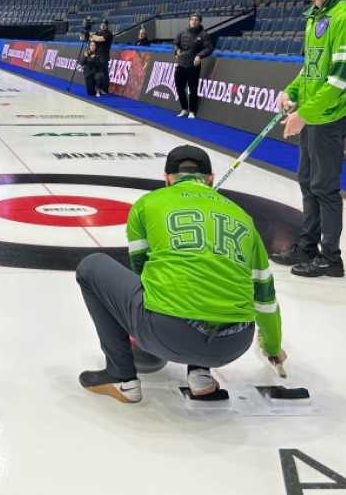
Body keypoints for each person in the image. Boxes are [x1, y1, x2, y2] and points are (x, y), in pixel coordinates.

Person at [75, 145, 285, 403]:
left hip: (168, 333)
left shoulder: (147, 204)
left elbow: (143, 274)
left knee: (91, 267)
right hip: (234, 343)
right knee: (211, 274)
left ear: (166, 179)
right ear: (209, 178)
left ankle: (122, 377)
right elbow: (265, 297)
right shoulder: (242, 217)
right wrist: (273, 347)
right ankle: (200, 376)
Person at [270, 0, 346, 279]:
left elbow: (339, 78)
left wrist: (305, 114)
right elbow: (310, 70)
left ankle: (331, 258)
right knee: (308, 183)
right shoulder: (313, 16)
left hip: (330, 118)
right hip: (313, 116)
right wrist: (291, 92)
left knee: (325, 188)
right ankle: (307, 246)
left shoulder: (344, 18)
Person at [173, 14, 213, 119]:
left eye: (196, 20)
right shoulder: (182, 33)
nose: (194, 21)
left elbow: (209, 48)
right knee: (179, 87)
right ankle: (184, 109)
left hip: (193, 65)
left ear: (200, 22)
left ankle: (192, 111)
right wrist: (176, 50)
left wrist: (199, 55)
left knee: (192, 89)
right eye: (192, 19)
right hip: (181, 64)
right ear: (189, 21)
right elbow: (176, 44)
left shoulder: (204, 35)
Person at [91, 19, 113, 94]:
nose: (103, 25)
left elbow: (100, 39)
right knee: (97, 72)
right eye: (102, 24)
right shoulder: (98, 32)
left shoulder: (109, 33)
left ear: (107, 26)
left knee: (104, 72)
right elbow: (91, 38)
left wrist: (94, 37)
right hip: (97, 55)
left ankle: (105, 89)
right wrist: (94, 37)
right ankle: (97, 87)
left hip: (104, 56)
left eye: (105, 24)